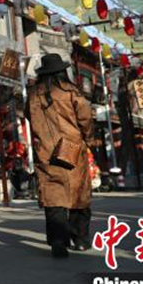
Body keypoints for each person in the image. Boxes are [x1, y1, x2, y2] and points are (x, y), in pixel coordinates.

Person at [27, 54, 94, 259]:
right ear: (63, 71)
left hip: (46, 151)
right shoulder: (71, 91)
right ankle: (80, 240)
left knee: (54, 196)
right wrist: (88, 139)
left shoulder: (33, 94)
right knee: (78, 195)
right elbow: (85, 118)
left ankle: (58, 241)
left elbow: (30, 118)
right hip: (72, 149)